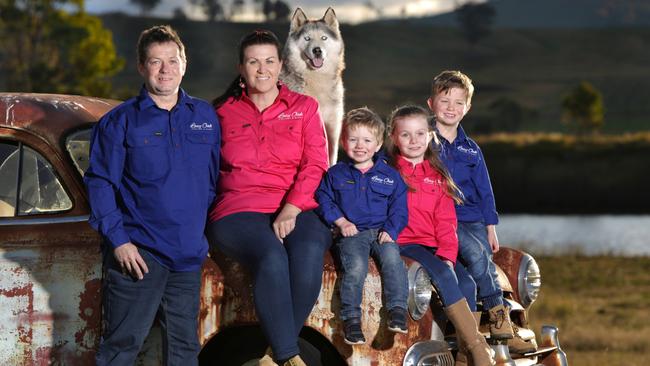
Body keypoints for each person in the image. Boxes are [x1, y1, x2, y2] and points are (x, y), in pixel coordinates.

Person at [84, 25, 220, 365]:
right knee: (122, 346)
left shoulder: (205, 116)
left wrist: (200, 235)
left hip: (187, 255)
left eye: (172, 61)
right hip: (140, 254)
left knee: (185, 349)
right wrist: (120, 241)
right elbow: (100, 183)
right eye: (156, 62)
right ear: (142, 67)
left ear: (184, 64)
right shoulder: (119, 122)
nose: (165, 70)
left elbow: (212, 180)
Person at [207, 30, 331, 366]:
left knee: (307, 252)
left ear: (281, 65)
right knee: (272, 256)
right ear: (241, 67)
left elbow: (316, 163)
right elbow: (202, 169)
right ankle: (289, 357)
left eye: (270, 61)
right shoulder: (220, 113)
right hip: (238, 208)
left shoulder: (305, 108)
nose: (263, 69)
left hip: (299, 205)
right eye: (253, 61)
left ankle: (270, 358)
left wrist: (291, 208)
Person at [388, 105, 495, 366]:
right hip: (405, 245)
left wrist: (448, 254)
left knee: (467, 283)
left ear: (429, 136)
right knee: (445, 274)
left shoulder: (437, 176)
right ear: (393, 137)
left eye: (420, 134)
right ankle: (478, 348)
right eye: (406, 135)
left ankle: (462, 358)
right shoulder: (388, 173)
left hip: (434, 245)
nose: (414, 141)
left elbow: (447, 222)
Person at [427, 71, 521, 347]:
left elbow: (485, 191)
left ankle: (482, 331)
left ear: (467, 108)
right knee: (473, 261)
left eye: (459, 103)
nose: (451, 108)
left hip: (473, 220)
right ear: (431, 103)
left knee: (480, 265)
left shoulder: (471, 149)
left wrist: (491, 228)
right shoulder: (423, 140)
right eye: (445, 101)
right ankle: (496, 310)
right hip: (442, 220)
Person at [315, 107, 409, 345]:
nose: (360, 145)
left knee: (393, 262)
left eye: (367, 140)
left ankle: (397, 311)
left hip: (382, 232)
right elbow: (323, 200)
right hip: (352, 232)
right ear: (344, 142)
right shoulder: (335, 174)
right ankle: (351, 320)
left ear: (378, 145)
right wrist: (341, 221)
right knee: (355, 268)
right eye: (353, 139)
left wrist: (392, 230)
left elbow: (399, 208)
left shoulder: (390, 176)